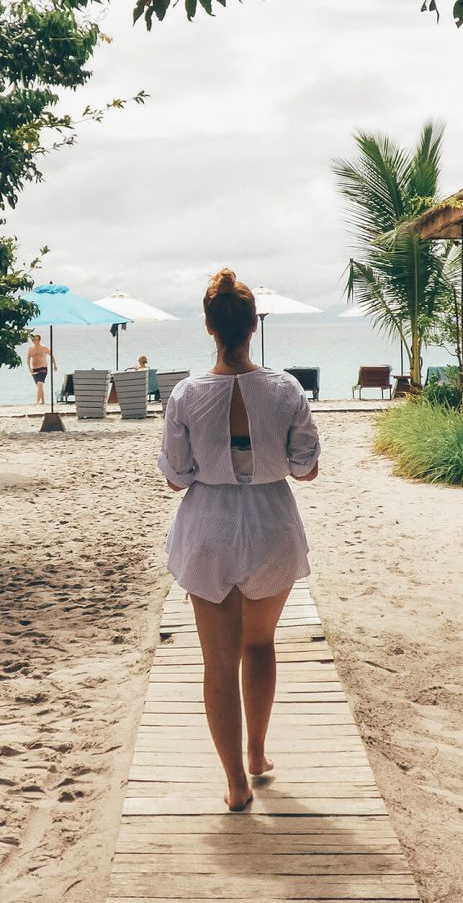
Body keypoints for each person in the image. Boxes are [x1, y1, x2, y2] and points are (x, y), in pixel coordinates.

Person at [157, 268, 320, 811]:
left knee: (218, 661)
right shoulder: (286, 389)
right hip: (272, 523)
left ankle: (235, 782)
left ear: (209, 327)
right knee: (260, 644)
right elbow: (305, 468)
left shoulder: (186, 395)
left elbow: (177, 476)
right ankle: (256, 751)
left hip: (210, 527)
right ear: (254, 324)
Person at [26, 334, 57, 405]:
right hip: (34, 369)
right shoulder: (30, 349)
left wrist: (54, 365)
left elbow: (51, 355)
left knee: (40, 384)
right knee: (39, 386)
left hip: (43, 368)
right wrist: (29, 368)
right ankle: (43, 402)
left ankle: (37, 401)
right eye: (33, 340)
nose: (35, 341)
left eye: (36, 340)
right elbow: (28, 359)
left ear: (39, 340)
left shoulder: (44, 348)